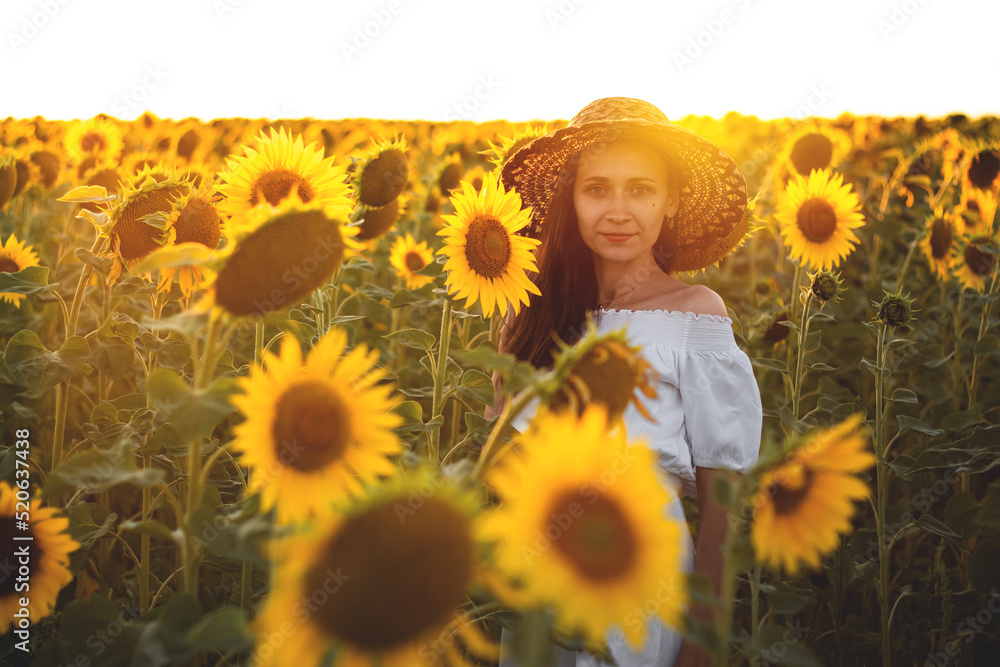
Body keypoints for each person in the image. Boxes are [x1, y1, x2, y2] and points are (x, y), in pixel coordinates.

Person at [487, 97, 763, 667]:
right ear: (572, 199)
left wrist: (704, 640)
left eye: (640, 189)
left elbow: (724, 499)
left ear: (671, 201)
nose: (618, 210)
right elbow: (499, 462)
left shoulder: (694, 316)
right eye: (597, 189)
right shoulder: (529, 315)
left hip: (640, 565)